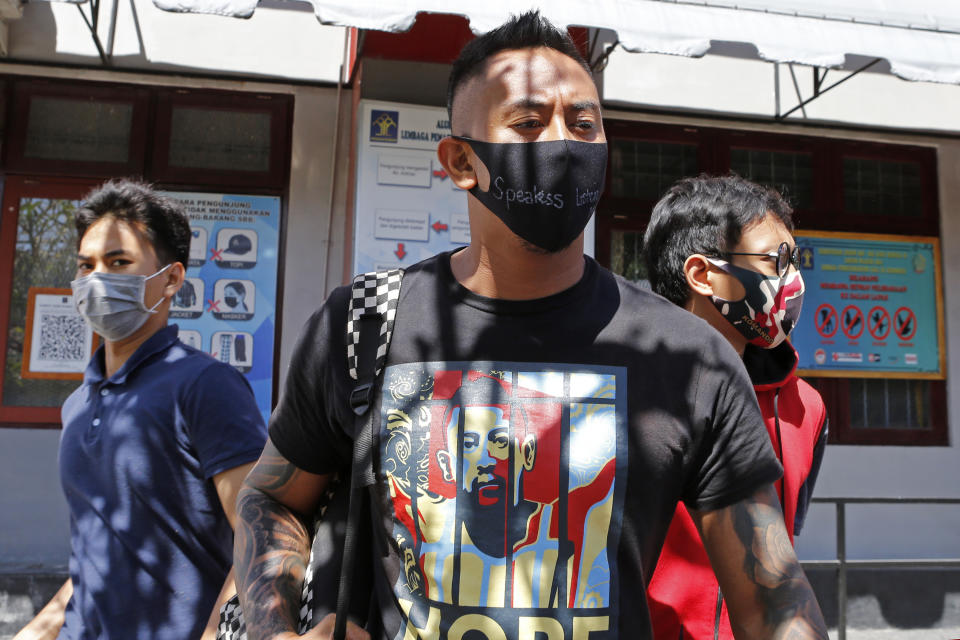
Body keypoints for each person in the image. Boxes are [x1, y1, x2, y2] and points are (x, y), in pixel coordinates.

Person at [234, 11, 828, 640]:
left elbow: (774, 599)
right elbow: (272, 497)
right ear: (461, 161)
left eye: (583, 123)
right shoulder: (363, 324)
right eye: (527, 122)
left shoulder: (692, 361)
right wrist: (275, 629)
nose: (563, 143)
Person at [14, 180, 268, 640]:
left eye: (118, 263)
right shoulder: (78, 404)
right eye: (85, 265)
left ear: (170, 279)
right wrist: (35, 632)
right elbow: (99, 555)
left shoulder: (206, 386)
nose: (96, 280)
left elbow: (261, 539)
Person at [642, 175, 829, 639]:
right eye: (776, 262)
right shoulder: (631, 394)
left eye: (795, 260)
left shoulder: (807, 406)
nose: (793, 281)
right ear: (704, 275)